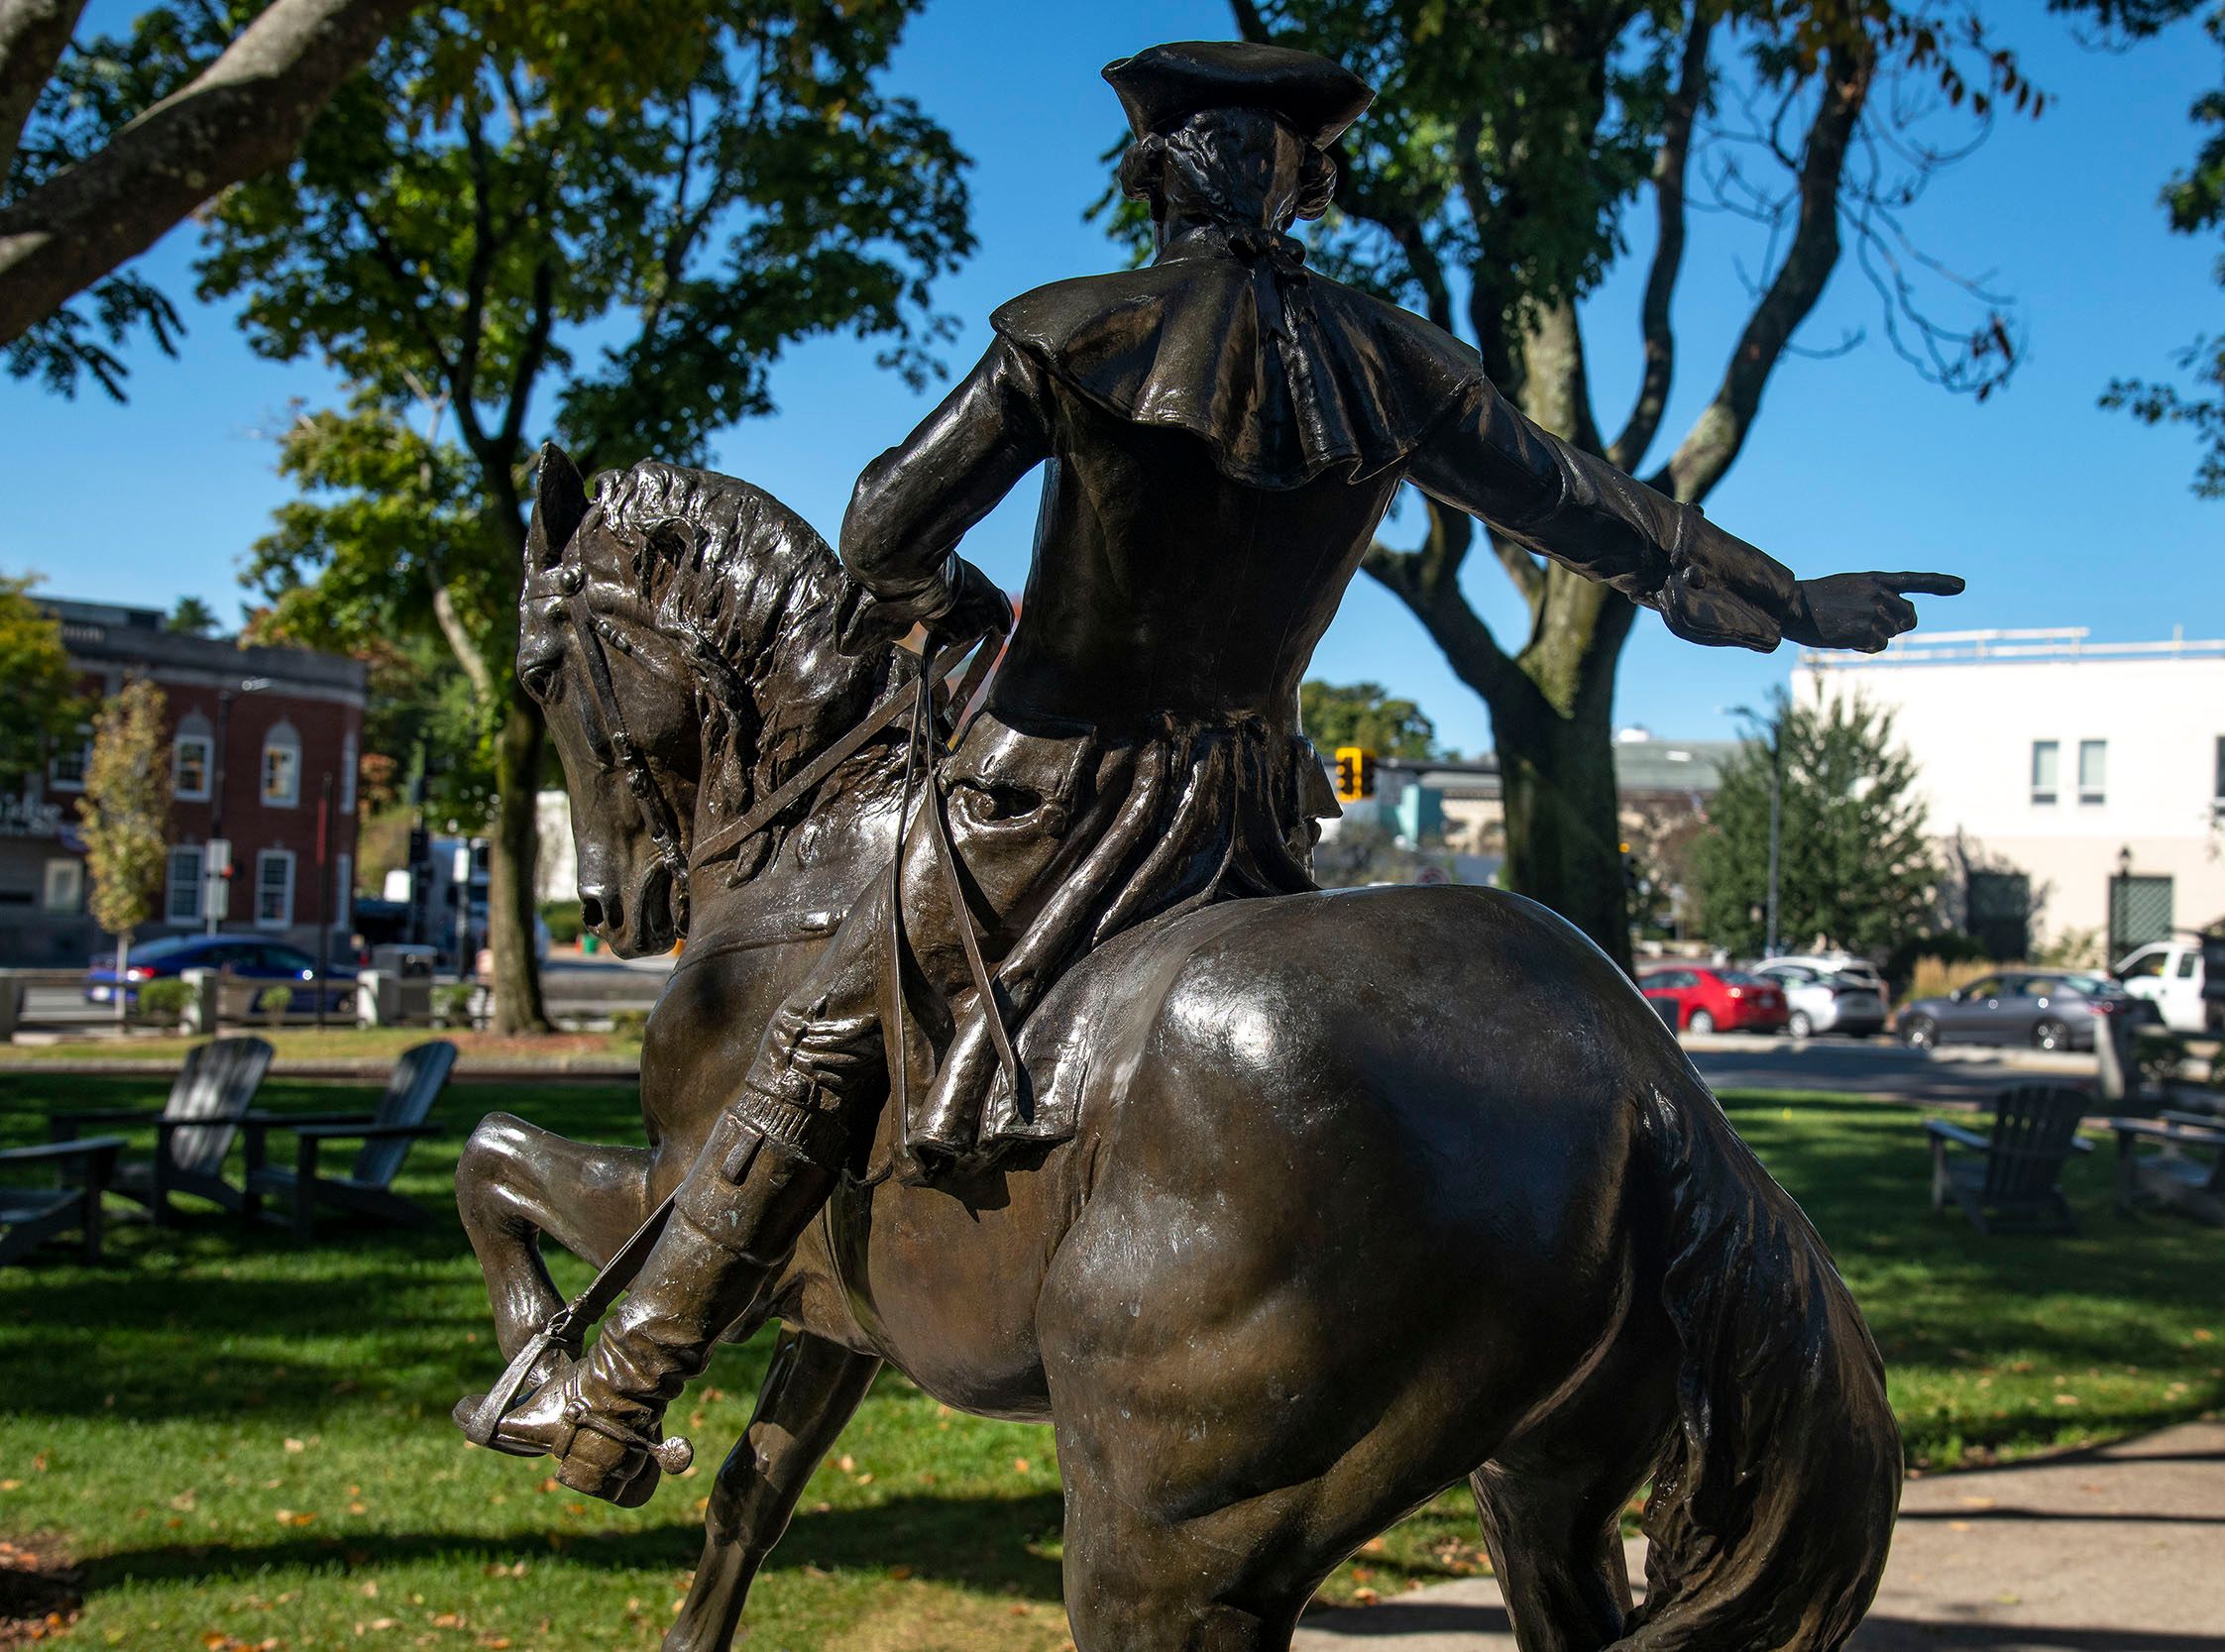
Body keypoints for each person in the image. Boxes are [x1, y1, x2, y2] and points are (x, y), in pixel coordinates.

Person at [492, 39, 1962, 1503]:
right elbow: (1598, 515)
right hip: (1244, 819)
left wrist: (937, 592)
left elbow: (880, 529)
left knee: (815, 1043)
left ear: (1156, 174)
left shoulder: (1070, 332)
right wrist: (1786, 604)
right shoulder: (1397, 365)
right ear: (1302, 183)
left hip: (1045, 800)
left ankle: (626, 1386)